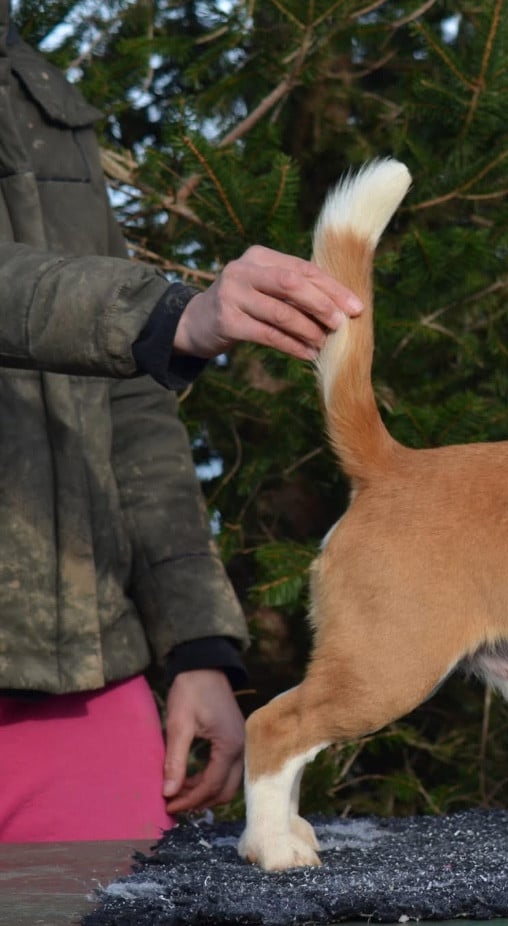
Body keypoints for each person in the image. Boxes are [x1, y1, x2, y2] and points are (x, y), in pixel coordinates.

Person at [0, 5, 363, 842]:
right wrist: (166, 315)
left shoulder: (40, 98)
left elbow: (124, 400)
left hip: (82, 680)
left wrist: (196, 644)